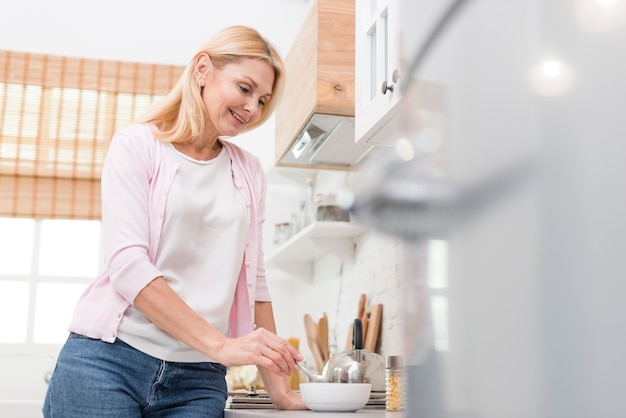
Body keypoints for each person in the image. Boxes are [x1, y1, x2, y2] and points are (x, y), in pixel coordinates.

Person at [43, 25, 306, 417]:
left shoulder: (249, 173)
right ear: (203, 69)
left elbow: (256, 284)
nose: (253, 108)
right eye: (245, 88)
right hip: (107, 362)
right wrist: (222, 344)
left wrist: (281, 393)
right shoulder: (137, 146)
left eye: (264, 100)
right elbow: (128, 265)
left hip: (198, 380)